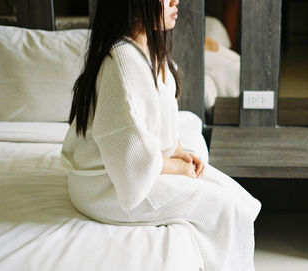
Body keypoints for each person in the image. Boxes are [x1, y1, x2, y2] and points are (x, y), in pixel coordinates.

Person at [61, 0, 261, 270]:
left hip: (125, 174)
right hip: (105, 188)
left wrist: (177, 150)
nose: (175, 1)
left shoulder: (146, 49)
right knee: (225, 209)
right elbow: (130, 165)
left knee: (238, 198)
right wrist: (175, 168)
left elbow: (158, 114)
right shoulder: (123, 62)